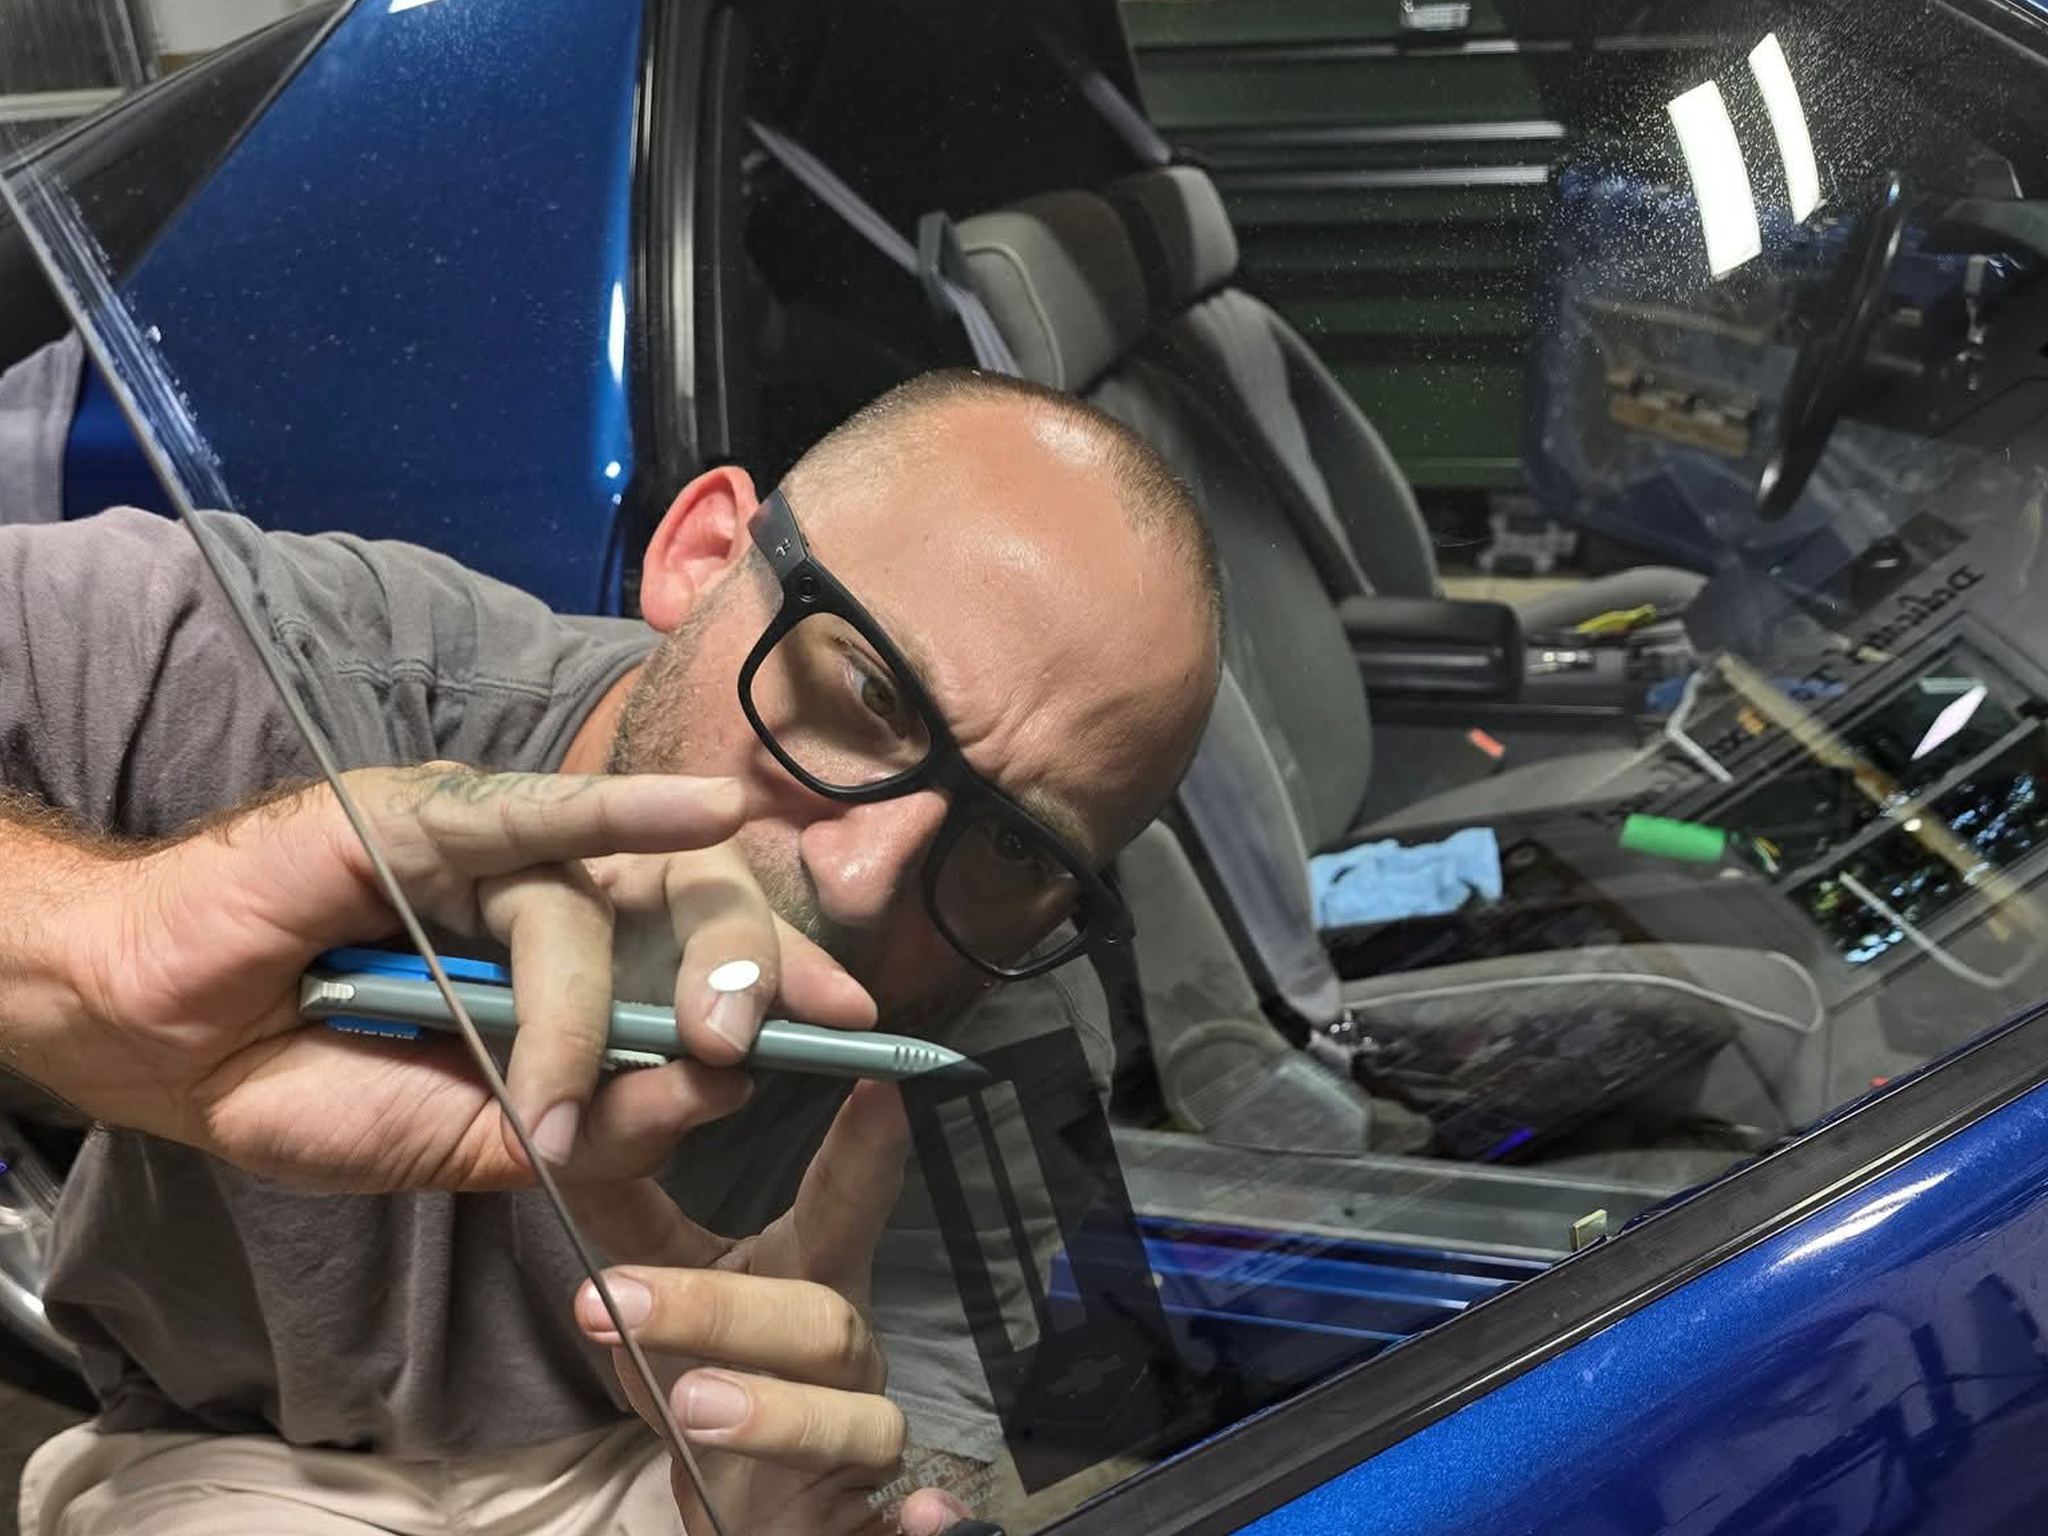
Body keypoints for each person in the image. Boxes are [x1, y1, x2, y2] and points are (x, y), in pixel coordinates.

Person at [0, 368, 1223, 1535]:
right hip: (238, 1452)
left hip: (662, 1472)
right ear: (699, 556)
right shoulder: (293, 680)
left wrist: (828, 1500)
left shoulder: (1008, 1006)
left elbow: (923, 1450)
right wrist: (95, 945)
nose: (862, 881)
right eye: (869, 694)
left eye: (1014, 847)